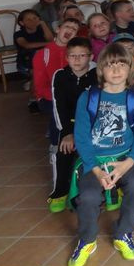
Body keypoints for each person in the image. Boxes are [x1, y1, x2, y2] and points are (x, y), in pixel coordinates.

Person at [67, 42, 134, 266]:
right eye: (110, 65)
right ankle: (87, 240)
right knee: (89, 196)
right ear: (101, 69)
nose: (116, 70)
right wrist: (95, 169)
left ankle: (123, 233)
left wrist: (126, 164)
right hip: (94, 159)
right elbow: (81, 138)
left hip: (126, 157)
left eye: (122, 64)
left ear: (130, 68)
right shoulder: (88, 98)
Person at [48, 37, 97, 213]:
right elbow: (59, 107)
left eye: (82, 55)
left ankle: (112, 188)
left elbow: (99, 105)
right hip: (69, 125)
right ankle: (60, 191)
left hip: (93, 125)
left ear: (90, 57)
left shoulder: (98, 74)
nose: (77, 60)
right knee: (63, 151)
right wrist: (68, 133)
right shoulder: (60, 76)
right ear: (66, 57)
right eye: (72, 56)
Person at [33, 18, 80, 119]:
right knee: (63, 111)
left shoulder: (77, 53)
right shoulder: (42, 54)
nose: (70, 30)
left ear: (75, 36)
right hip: (49, 97)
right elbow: (40, 85)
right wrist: (59, 96)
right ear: (58, 30)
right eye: (67, 26)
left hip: (72, 95)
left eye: (74, 29)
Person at [14, 8, 52, 91]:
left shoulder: (41, 30)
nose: (33, 21)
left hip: (44, 62)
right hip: (26, 65)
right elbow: (26, 45)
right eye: (28, 20)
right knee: (34, 52)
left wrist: (43, 24)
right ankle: (35, 81)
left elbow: (51, 40)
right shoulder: (18, 34)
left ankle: (36, 81)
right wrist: (47, 44)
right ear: (22, 23)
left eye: (35, 18)